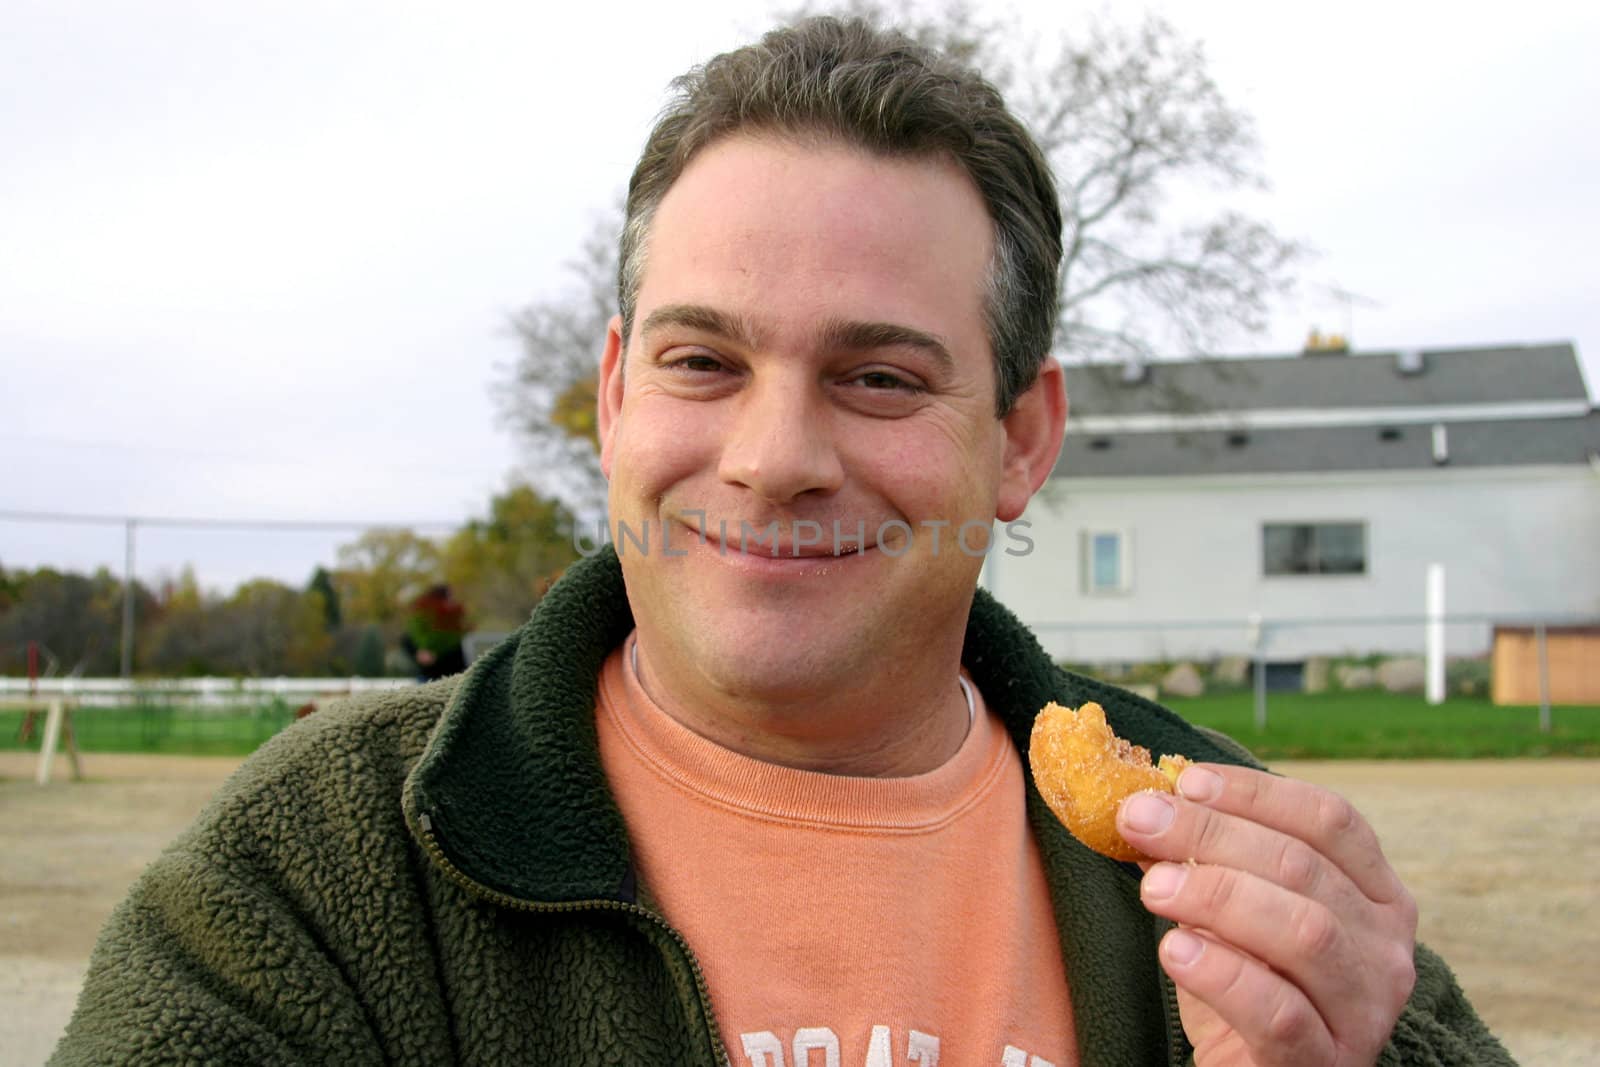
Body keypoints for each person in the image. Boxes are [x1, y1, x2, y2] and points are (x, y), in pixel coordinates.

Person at [53, 17, 1511, 1066]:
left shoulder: (1234, 872)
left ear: (1019, 436)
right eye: (703, 362)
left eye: (878, 376)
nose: (773, 457)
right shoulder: (327, 867)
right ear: (616, 393)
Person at [399, 583, 468, 681]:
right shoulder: (424, 620)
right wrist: (418, 654)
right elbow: (407, 640)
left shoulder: (451, 624)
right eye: (448, 598)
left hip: (451, 677)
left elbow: (456, 653)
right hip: (428, 676)